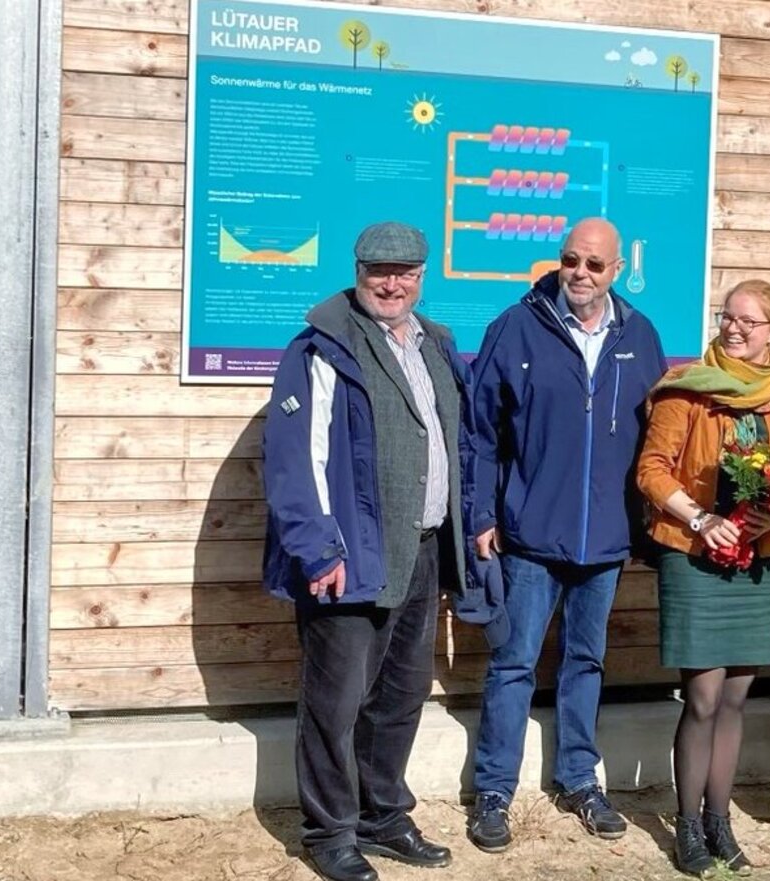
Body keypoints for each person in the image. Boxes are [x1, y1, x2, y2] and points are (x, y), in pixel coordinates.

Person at [262, 221, 468, 881]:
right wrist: (320, 548)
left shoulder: (434, 342)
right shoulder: (322, 348)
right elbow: (298, 460)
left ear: (421, 274)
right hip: (349, 554)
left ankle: (383, 815)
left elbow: (454, 443)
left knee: (401, 692)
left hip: (423, 545)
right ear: (358, 270)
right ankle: (329, 832)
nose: (392, 282)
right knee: (336, 698)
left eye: (405, 270)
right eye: (380, 269)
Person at [459, 217, 668, 852]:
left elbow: (658, 437)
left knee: (586, 661)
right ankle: (494, 788)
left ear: (616, 271)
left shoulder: (640, 336)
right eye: (570, 260)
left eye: (593, 265)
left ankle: (579, 777)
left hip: (603, 542)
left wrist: (647, 526)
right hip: (529, 537)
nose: (579, 273)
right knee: (513, 662)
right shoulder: (516, 328)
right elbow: (480, 435)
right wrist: (481, 515)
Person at [635, 279, 770, 876]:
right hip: (694, 553)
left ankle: (721, 821)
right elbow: (652, 472)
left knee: (737, 696)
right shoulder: (685, 390)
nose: (733, 328)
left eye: (748, 321)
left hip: (760, 557)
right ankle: (687, 824)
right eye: (726, 317)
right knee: (705, 697)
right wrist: (701, 516)